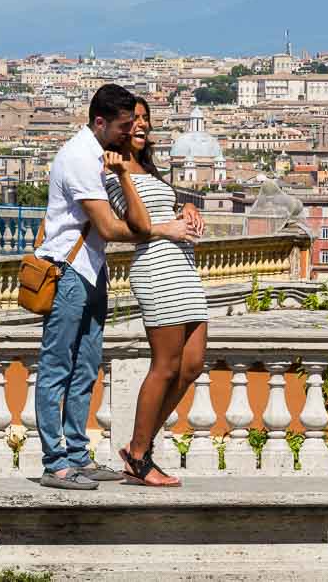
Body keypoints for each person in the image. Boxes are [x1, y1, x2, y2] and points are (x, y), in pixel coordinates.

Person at [35, 84, 194, 490]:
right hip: (67, 272)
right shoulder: (78, 159)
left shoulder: (104, 156)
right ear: (100, 122)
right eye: (124, 126)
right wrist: (163, 231)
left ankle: (76, 454)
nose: (130, 132)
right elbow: (108, 227)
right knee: (57, 367)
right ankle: (55, 463)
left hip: (91, 271)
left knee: (85, 367)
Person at [104, 97, 208, 487]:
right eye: (134, 119)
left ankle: (138, 448)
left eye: (146, 118)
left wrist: (186, 208)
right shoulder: (112, 171)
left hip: (183, 267)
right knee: (165, 366)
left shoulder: (147, 168)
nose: (142, 125)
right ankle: (139, 455)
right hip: (157, 270)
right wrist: (126, 177)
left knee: (193, 364)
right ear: (120, 125)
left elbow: (160, 208)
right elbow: (138, 222)